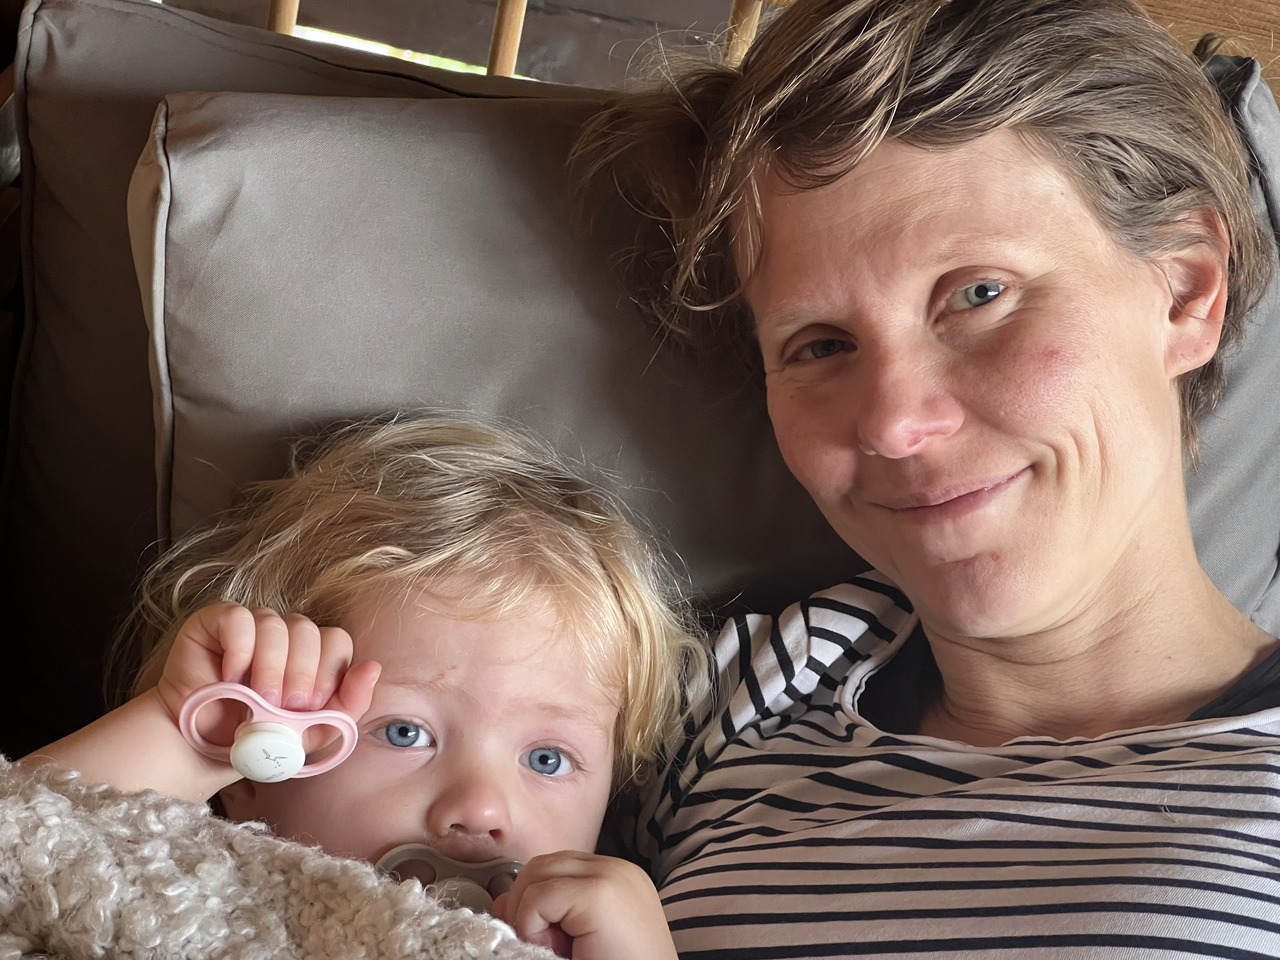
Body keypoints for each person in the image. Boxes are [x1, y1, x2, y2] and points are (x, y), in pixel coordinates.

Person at [575, 0, 1280, 956]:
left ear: (1186, 292)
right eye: (821, 345)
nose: (894, 424)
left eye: (979, 295)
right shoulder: (730, 705)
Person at [28, 413, 703, 960]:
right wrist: (187, 741)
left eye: (547, 759)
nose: (480, 809)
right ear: (255, 769)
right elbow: (25, 856)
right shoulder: (201, 892)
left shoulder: (588, 942)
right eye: (406, 733)